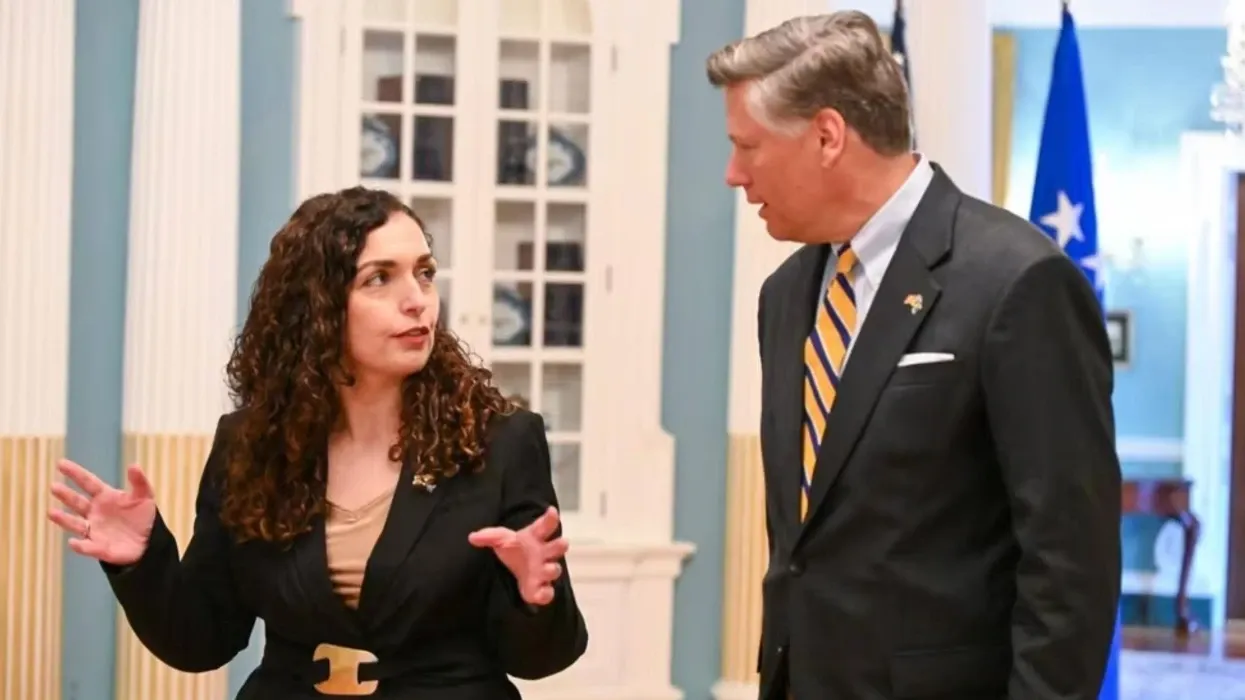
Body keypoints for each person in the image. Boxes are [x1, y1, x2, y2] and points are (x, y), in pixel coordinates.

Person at [706, 11, 1120, 700]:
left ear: (827, 136)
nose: (733, 174)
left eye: (747, 146)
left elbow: (1069, 564)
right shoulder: (785, 295)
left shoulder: (1017, 281)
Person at [48, 186, 589, 698]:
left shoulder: (500, 442)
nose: (417, 300)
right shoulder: (250, 446)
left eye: (424, 273)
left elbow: (543, 656)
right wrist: (143, 560)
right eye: (380, 278)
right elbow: (203, 639)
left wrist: (532, 595)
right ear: (318, 307)